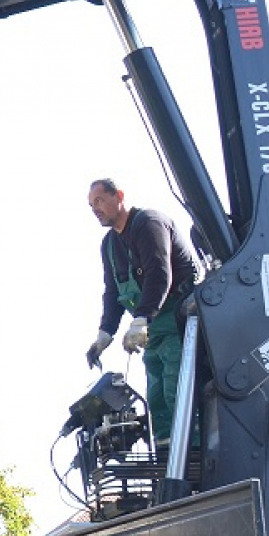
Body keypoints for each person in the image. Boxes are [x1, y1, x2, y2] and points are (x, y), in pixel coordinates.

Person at [83, 178, 202, 458]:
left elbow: (160, 275)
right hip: (153, 331)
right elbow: (112, 291)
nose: (95, 209)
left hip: (179, 320)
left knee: (177, 390)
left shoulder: (149, 223)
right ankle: (166, 456)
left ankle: (193, 453)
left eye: (99, 201)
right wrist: (105, 333)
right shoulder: (110, 245)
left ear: (119, 196)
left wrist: (141, 319)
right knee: (157, 397)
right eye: (91, 206)